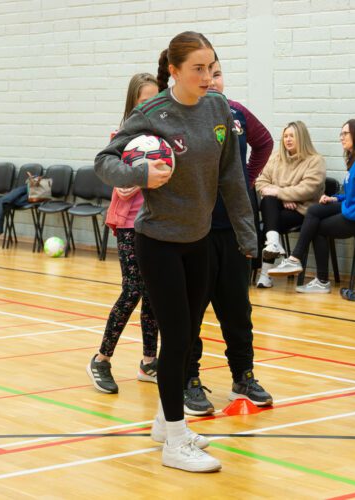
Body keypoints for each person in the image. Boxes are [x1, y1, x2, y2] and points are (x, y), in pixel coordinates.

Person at [95, 31, 256, 473]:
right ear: (174, 71)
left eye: (212, 67)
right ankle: (176, 439)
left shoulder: (219, 109)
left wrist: (247, 234)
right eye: (197, 69)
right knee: (178, 339)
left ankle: (166, 425)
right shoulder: (152, 112)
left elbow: (231, 178)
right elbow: (103, 161)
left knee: (186, 339)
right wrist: (140, 172)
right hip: (158, 242)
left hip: (199, 240)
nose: (207, 77)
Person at [182, 54, 274, 417]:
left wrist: (245, 181)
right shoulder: (181, 116)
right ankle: (188, 378)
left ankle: (243, 375)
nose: (213, 80)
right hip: (195, 233)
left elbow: (265, 142)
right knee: (191, 311)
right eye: (205, 73)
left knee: (238, 310)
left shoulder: (236, 113)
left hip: (233, 231)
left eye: (218, 73)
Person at [87, 73, 160, 394]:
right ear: (133, 104)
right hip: (130, 225)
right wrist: (145, 169)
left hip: (158, 224)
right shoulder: (122, 138)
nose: (150, 107)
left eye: (155, 100)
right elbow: (123, 185)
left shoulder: (163, 137)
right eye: (144, 101)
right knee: (132, 290)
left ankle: (148, 362)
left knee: (154, 297)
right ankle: (101, 359)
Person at [269, 118, 355, 293]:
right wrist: (337, 199)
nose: (341, 137)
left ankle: (315, 275)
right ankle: (297, 261)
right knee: (315, 210)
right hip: (354, 208)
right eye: (341, 134)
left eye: (345, 133)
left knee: (317, 227)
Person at [255, 121, 326, 289]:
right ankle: (273, 243)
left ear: (301, 137)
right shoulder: (276, 157)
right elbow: (260, 182)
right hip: (278, 208)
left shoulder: (315, 160)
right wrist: (283, 197)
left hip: (303, 212)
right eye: (285, 136)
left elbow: (308, 189)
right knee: (268, 202)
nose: (287, 139)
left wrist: (279, 192)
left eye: (292, 136)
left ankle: (266, 273)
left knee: (271, 216)